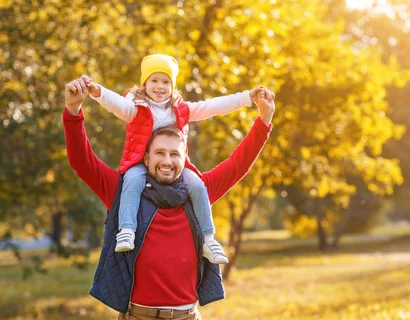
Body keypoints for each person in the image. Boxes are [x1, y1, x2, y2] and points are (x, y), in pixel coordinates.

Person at [63, 75, 274, 319]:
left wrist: (264, 121)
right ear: (146, 158)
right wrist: (73, 110)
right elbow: (82, 161)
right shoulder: (123, 192)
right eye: (159, 153)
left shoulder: (198, 192)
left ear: (184, 158)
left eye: (174, 154)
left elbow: (238, 164)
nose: (166, 161)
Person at [79, 53, 273, 264]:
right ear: (144, 84)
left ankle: (208, 239)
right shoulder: (136, 107)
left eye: (166, 81)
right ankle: (127, 229)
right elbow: (116, 104)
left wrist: (247, 97)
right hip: (138, 162)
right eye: (154, 80)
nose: (160, 86)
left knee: (198, 186)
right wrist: (98, 92)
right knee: (132, 181)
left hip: (178, 168)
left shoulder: (180, 110)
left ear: (172, 86)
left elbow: (213, 106)